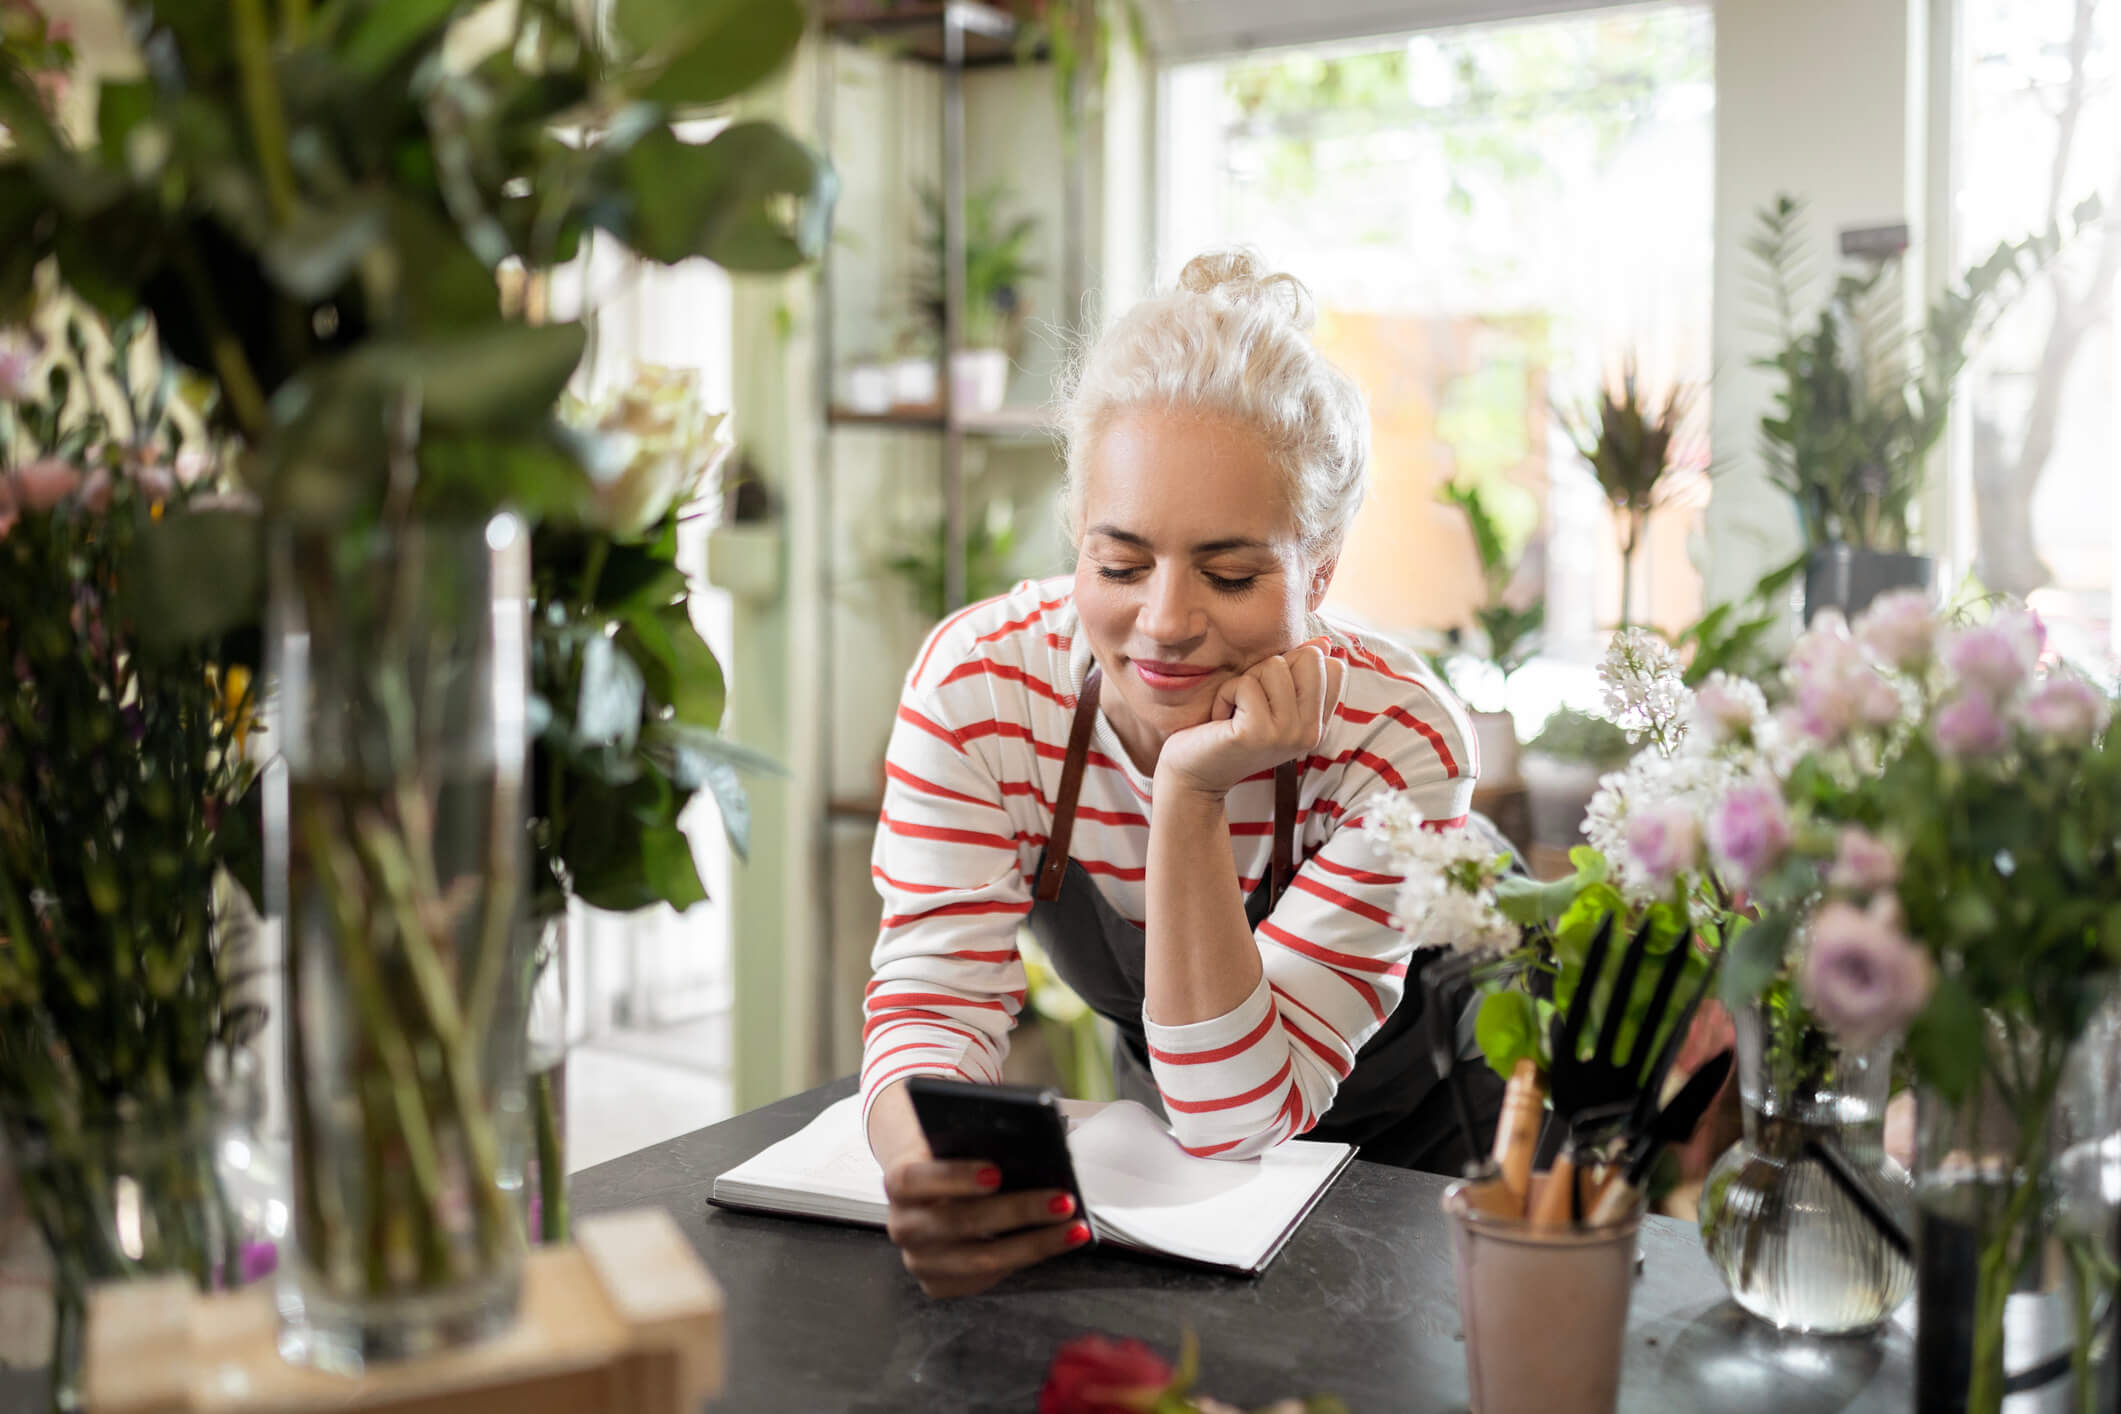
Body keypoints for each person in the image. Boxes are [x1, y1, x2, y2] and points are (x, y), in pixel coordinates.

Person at [861, 251, 1501, 1297]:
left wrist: (1192, 793)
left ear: (1323, 566)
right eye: (1118, 565)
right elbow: (932, 1001)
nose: (1163, 622)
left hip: (1439, 1145)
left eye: (1231, 572)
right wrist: (922, 1166)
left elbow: (1235, 1110)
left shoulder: (1397, 739)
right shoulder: (982, 688)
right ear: (1077, 538)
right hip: (1197, 1157)